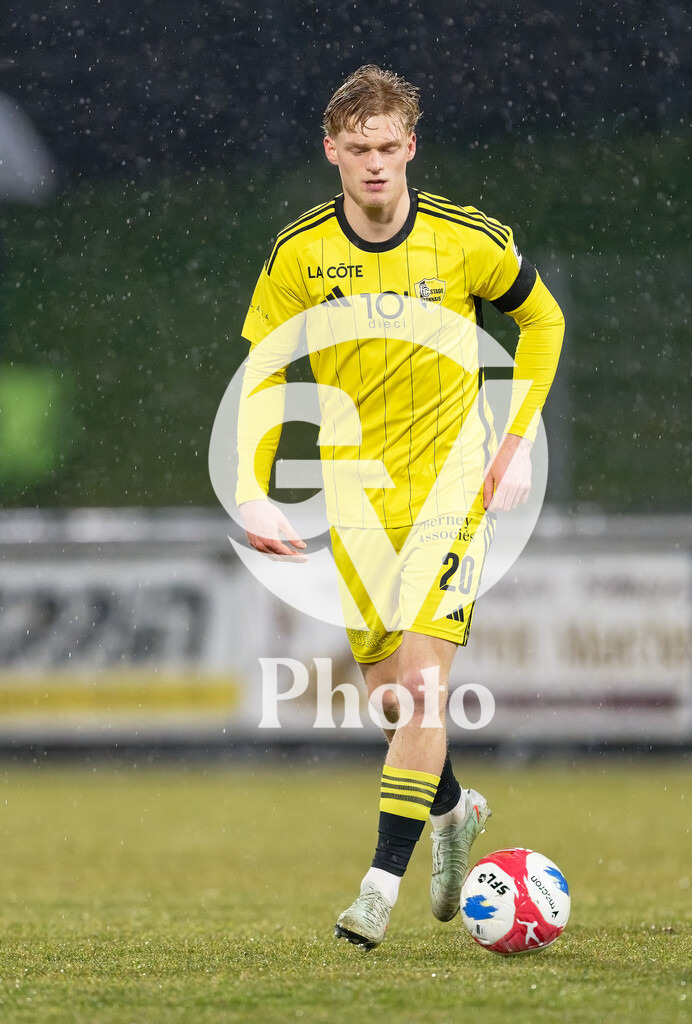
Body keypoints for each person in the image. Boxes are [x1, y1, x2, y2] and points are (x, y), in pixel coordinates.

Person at [236, 65, 564, 949]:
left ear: (411, 147)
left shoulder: (467, 240)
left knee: (423, 689)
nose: (376, 164)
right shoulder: (300, 256)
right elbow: (264, 375)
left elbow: (545, 323)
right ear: (332, 151)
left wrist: (516, 438)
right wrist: (255, 488)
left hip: (452, 490)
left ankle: (377, 889)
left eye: (391, 148)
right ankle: (454, 813)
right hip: (354, 501)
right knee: (391, 702)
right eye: (360, 150)